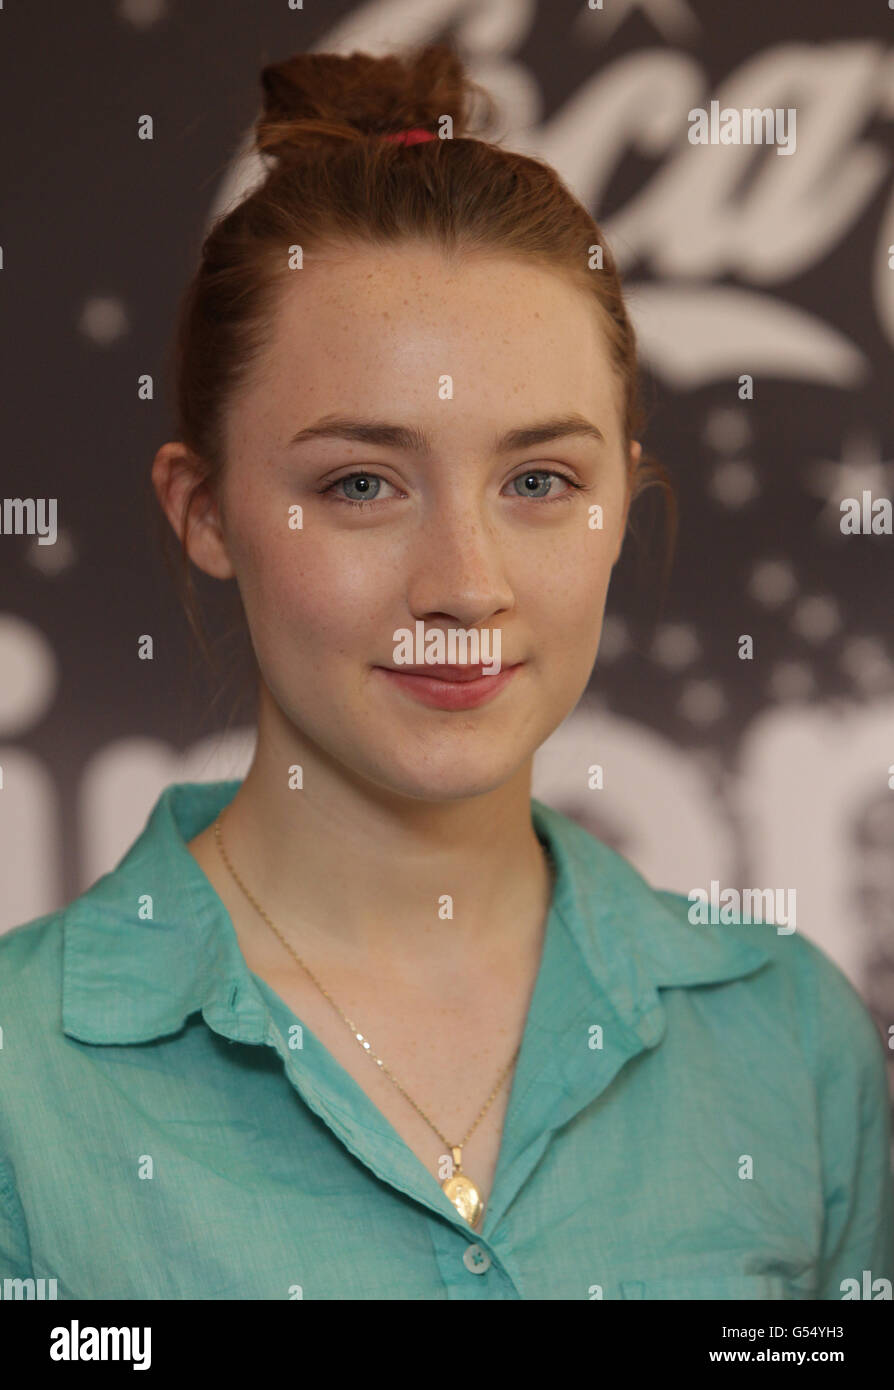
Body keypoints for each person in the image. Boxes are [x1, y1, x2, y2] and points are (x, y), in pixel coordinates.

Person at [1, 41, 891, 1302]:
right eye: (361, 483)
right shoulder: (20, 1078)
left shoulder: (788, 1039)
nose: (465, 583)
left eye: (540, 481)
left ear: (622, 503)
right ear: (203, 512)